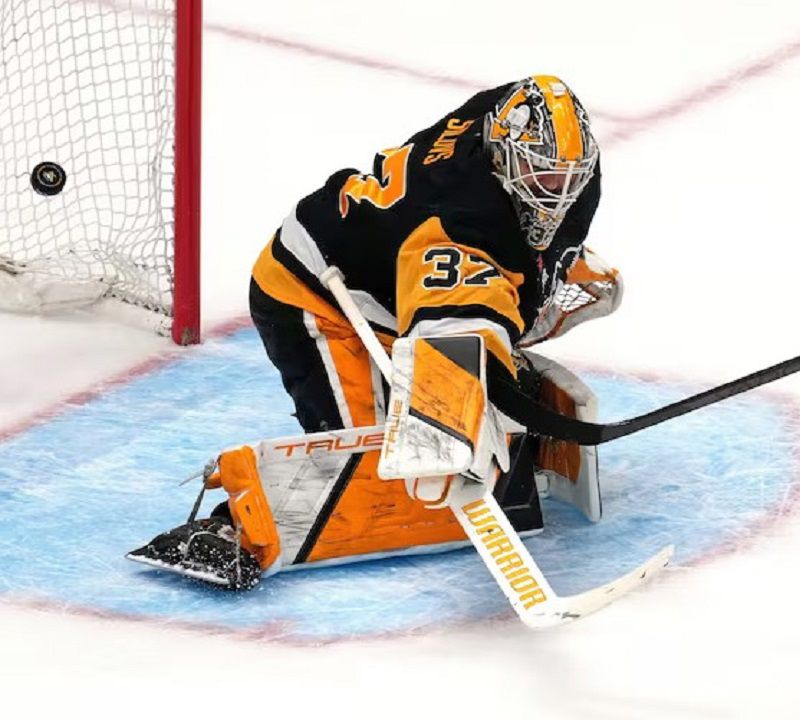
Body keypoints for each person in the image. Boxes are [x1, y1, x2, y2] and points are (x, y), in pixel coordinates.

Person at [128, 76, 622, 589]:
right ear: (501, 157)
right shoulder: (458, 219)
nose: (556, 193)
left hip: (397, 268)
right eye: (541, 179)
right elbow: (448, 342)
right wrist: (458, 424)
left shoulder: (513, 138)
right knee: (386, 469)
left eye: (565, 178)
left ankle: (513, 317)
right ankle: (235, 527)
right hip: (315, 293)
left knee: (584, 294)